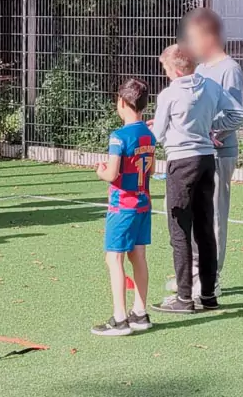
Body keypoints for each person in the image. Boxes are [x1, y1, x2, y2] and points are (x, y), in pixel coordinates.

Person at [150, 45, 243, 314]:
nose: (166, 74)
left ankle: (183, 298)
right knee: (205, 228)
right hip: (206, 160)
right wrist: (214, 131)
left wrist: (158, 127)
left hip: (181, 162)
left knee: (179, 228)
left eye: (167, 69)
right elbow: (239, 115)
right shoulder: (211, 86)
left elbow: (157, 134)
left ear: (177, 70)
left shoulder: (169, 94)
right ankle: (207, 295)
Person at [180, 7, 243, 297]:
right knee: (195, 213)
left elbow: (233, 112)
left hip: (220, 152)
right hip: (197, 153)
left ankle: (211, 277)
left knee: (214, 215)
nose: (190, 44)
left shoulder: (228, 68)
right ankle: (195, 272)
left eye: (194, 37)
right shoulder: (201, 68)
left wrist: (212, 131)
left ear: (209, 36)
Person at [90, 79, 156, 336]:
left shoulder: (118, 137)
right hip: (143, 203)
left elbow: (112, 173)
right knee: (138, 256)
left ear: (122, 102)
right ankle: (140, 312)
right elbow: (151, 169)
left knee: (114, 258)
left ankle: (119, 318)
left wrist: (101, 171)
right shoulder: (148, 134)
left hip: (122, 206)